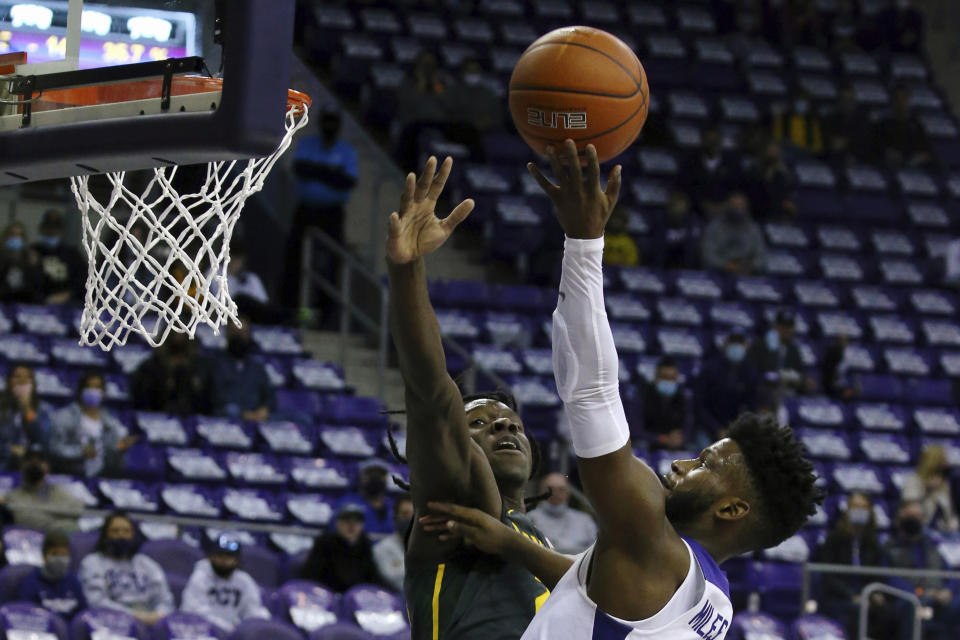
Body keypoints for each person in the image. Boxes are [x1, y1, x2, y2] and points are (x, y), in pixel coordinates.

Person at [420, 141, 822, 639]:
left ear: (732, 510)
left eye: (704, 466)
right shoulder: (714, 601)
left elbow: (591, 394)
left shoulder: (650, 540)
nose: (680, 465)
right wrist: (513, 545)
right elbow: (595, 586)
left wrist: (584, 242)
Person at [385, 156, 551, 639]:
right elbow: (434, 398)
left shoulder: (529, 540)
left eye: (512, 422)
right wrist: (408, 269)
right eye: (481, 422)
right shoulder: (457, 510)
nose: (505, 426)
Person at [284, 105, 358, 311]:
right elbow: (300, 169)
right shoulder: (308, 144)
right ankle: (290, 307)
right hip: (306, 210)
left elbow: (347, 182)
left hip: (332, 213)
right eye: (326, 121)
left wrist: (317, 171)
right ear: (320, 122)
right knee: (294, 256)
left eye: (333, 122)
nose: (329, 126)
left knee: (332, 262)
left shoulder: (347, 151)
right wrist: (331, 173)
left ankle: (326, 312)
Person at [814, 493, 898, 640]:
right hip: (840, 598)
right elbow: (828, 575)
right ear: (848, 510)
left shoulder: (872, 543)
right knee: (856, 611)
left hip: (866, 596)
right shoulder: (833, 539)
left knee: (888, 612)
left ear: (870, 511)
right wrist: (851, 595)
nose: (860, 511)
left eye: (864, 507)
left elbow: (876, 575)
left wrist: (874, 594)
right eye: (856, 507)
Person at [79, 513, 174, 625]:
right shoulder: (92, 562)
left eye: (126, 531)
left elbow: (165, 599)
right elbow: (96, 601)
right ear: (105, 536)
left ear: (133, 535)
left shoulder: (147, 564)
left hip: (150, 623)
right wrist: (133, 616)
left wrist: (159, 615)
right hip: (111, 623)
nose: (121, 535)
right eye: (115, 531)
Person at [884, 500, 960, 640]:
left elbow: (950, 573)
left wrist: (948, 591)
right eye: (909, 515)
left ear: (924, 520)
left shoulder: (933, 546)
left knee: (956, 606)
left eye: (918, 516)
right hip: (912, 601)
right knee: (913, 608)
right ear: (899, 518)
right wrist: (919, 593)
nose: (914, 519)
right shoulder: (890, 548)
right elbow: (890, 579)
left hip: (939, 600)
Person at [49, 372, 136, 477]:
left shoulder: (110, 421)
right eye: (89, 387)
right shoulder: (64, 416)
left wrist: (121, 447)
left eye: (97, 387)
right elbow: (54, 449)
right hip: (70, 474)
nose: (93, 391)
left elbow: (113, 451)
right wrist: (80, 452)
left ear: (103, 392)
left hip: (102, 475)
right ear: (81, 391)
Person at [181, 535, 270, 632]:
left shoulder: (244, 580)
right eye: (220, 555)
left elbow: (253, 610)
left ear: (236, 560)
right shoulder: (200, 578)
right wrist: (226, 627)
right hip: (204, 632)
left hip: (235, 634)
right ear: (211, 556)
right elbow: (193, 613)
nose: (223, 561)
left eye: (229, 557)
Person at [300, 500, 385, 593]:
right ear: (337, 523)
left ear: (362, 525)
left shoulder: (365, 544)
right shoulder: (324, 543)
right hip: (328, 595)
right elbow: (312, 576)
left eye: (356, 521)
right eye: (347, 520)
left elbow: (373, 577)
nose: (351, 526)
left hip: (358, 598)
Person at [695, 333, 759, 446]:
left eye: (739, 344)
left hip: (735, 429)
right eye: (733, 343)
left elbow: (752, 406)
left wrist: (737, 430)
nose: (736, 348)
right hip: (708, 427)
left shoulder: (750, 372)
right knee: (705, 454)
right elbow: (699, 405)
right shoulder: (710, 368)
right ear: (725, 345)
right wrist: (716, 429)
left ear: (746, 347)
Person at [208, 318, 274, 421]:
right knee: (231, 410)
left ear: (249, 336)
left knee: (301, 418)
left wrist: (264, 409)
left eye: (243, 332)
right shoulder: (215, 364)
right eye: (235, 332)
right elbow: (215, 398)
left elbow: (269, 396)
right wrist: (243, 413)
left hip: (256, 416)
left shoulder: (257, 367)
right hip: (229, 415)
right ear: (227, 334)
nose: (239, 336)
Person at [130, 333, 212, 415]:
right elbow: (141, 401)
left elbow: (210, 403)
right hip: (158, 418)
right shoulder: (149, 368)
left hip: (193, 418)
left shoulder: (200, 369)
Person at [4, 448, 82, 533]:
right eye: (30, 461)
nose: (34, 465)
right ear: (21, 466)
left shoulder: (58, 491)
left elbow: (78, 509)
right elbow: (26, 520)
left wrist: (43, 512)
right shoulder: (13, 496)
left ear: (47, 466)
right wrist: (61, 518)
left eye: (39, 461)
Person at [19, 531, 87, 620]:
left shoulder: (73, 582)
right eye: (55, 554)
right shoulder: (30, 582)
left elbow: (83, 615)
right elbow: (25, 615)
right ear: (44, 555)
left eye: (64, 554)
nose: (60, 559)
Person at [527, 474, 597, 555]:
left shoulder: (585, 520)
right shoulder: (530, 519)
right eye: (550, 489)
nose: (555, 494)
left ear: (568, 493)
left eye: (561, 489)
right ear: (541, 492)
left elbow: (594, 551)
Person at [680, 124, 741, 217]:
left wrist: (725, 205)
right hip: (696, 212)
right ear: (702, 140)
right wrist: (703, 205)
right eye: (709, 141)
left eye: (715, 141)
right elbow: (687, 188)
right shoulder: (691, 162)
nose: (712, 144)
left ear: (720, 140)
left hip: (726, 213)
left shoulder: (732, 163)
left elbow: (736, 188)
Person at [701, 192, 767, 275]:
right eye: (735, 206)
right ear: (728, 206)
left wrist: (751, 266)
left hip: (748, 273)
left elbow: (761, 256)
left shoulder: (753, 228)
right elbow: (708, 256)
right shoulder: (714, 227)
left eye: (741, 206)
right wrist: (728, 266)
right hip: (720, 273)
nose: (738, 209)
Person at [0, 365, 52, 471]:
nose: (22, 381)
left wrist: (28, 411)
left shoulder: (43, 409)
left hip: (33, 467)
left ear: (33, 384)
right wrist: (9, 449)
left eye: (27, 377)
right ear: (9, 382)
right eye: (17, 377)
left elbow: (44, 442)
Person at [635, 357, 693, 451]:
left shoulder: (683, 397)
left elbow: (688, 428)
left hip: (674, 443)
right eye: (664, 377)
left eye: (672, 378)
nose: (668, 382)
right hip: (651, 443)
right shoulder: (643, 395)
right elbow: (636, 430)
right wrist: (662, 439)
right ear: (656, 378)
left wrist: (679, 438)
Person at [746, 310, 808, 394]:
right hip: (763, 391)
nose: (786, 330)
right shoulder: (760, 345)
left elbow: (800, 373)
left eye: (789, 327)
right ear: (775, 327)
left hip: (787, 392)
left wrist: (802, 381)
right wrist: (776, 377)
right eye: (783, 326)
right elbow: (752, 373)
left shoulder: (793, 349)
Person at [31, 209, 84, 305]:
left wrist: (68, 294)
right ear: (41, 228)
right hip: (38, 302)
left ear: (61, 230)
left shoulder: (72, 254)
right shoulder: (33, 251)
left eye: (55, 228)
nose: (51, 231)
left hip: (69, 303)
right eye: (48, 227)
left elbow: (82, 280)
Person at [902, 445, 959, 533]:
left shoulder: (945, 484)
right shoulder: (914, 481)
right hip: (921, 529)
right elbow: (910, 509)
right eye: (943, 460)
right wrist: (927, 491)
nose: (946, 464)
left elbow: (950, 513)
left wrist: (954, 524)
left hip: (946, 532)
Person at [877, 84, 931, 169]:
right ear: (892, 101)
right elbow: (879, 149)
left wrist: (917, 159)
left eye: (904, 98)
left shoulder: (917, 126)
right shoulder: (883, 125)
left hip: (914, 170)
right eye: (897, 99)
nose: (901, 103)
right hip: (891, 167)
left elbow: (926, 151)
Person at [743, 140, 796, 221]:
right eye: (770, 150)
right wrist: (768, 176)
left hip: (777, 212)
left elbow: (789, 190)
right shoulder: (755, 169)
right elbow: (752, 190)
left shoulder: (785, 172)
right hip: (756, 210)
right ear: (764, 151)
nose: (773, 153)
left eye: (775, 150)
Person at [373, 494, 414, 593]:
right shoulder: (381, 549)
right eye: (405, 514)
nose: (410, 520)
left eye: (414, 515)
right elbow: (391, 579)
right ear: (396, 518)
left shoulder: (431, 548)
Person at [341, 459, 394, 536]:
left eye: (380, 474)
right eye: (370, 474)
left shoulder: (394, 506)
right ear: (360, 477)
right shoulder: (346, 503)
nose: (376, 478)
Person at [823, 83, 871, 166]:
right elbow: (827, 142)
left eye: (849, 100)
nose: (847, 104)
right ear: (839, 101)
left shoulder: (863, 121)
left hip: (858, 161)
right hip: (833, 159)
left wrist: (847, 143)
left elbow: (864, 144)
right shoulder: (831, 120)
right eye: (843, 100)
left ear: (854, 101)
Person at [655, 191, 701, 270]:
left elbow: (695, 250)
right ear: (669, 207)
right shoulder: (661, 221)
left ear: (687, 206)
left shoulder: (694, 222)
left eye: (681, 205)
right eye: (674, 205)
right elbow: (658, 250)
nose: (678, 209)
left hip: (689, 268)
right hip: (665, 267)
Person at [770, 90, 824, 157]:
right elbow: (777, 138)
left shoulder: (812, 121)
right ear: (794, 102)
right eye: (799, 100)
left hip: (806, 154)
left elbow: (818, 146)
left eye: (804, 101)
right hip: (787, 152)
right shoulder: (784, 118)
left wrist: (810, 149)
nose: (801, 104)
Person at [0, 221, 42, 304]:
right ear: (5, 237)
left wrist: (33, 267)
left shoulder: (30, 258)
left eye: (19, 235)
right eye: (12, 234)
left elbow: (37, 287)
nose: (15, 238)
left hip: (24, 303)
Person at [821, 335, 859, 400]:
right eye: (841, 341)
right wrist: (844, 390)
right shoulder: (832, 354)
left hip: (846, 387)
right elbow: (829, 377)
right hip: (835, 388)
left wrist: (852, 388)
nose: (844, 343)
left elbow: (853, 375)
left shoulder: (849, 355)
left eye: (846, 341)